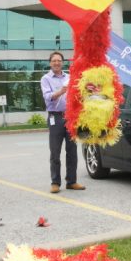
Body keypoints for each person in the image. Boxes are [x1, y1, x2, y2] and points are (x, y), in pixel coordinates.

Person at [41, 51, 85, 194]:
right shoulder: (46, 79)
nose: (56, 63)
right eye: (54, 60)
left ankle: (71, 181)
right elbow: (48, 97)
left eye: (59, 60)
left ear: (62, 62)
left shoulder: (70, 77)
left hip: (71, 117)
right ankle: (55, 182)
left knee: (72, 151)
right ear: (50, 63)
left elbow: (78, 94)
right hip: (56, 117)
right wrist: (60, 91)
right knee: (55, 152)